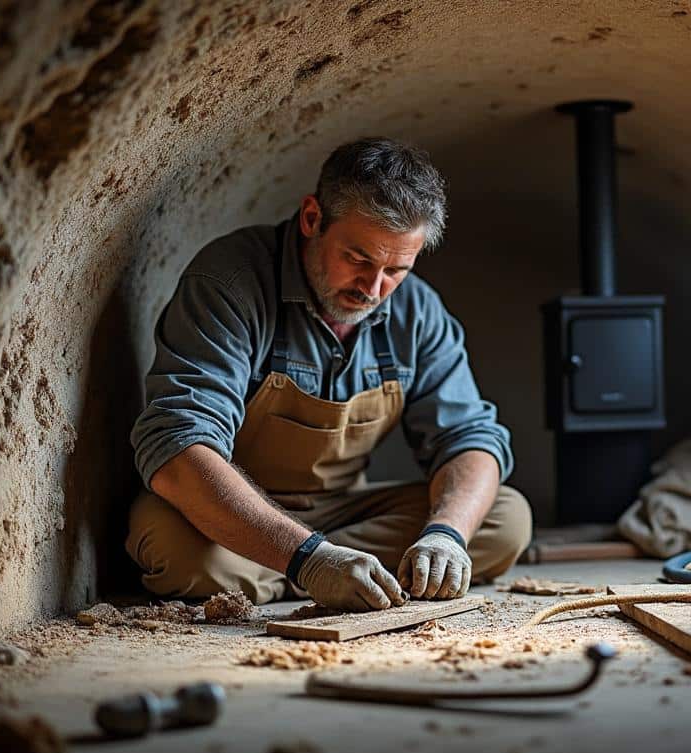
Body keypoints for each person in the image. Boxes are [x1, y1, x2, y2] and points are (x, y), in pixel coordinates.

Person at [125, 138, 531, 611]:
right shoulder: (229, 282)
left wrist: (445, 536)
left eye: (396, 269)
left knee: (505, 519)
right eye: (358, 259)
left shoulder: (417, 309)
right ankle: (314, 568)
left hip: (345, 512)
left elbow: (468, 437)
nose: (373, 288)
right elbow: (177, 444)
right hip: (234, 506)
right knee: (171, 550)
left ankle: (307, 574)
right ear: (312, 218)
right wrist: (309, 558)